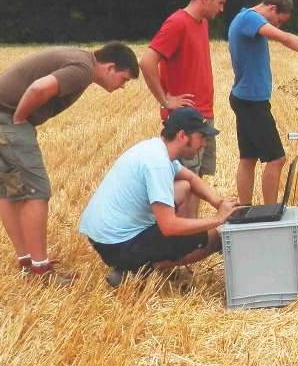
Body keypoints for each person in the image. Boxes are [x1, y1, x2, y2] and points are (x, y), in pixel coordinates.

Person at [0, 42, 139, 282]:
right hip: (4, 116)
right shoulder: (82, 69)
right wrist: (19, 118)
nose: (122, 86)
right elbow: (39, 88)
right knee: (36, 192)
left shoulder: (81, 61)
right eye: (124, 79)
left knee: (10, 189)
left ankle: (27, 261)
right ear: (110, 67)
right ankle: (41, 270)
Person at [79, 107, 240, 288]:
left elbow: (191, 178)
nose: (204, 144)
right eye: (201, 137)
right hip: (117, 244)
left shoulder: (155, 148)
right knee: (213, 239)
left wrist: (218, 202)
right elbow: (169, 227)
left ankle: (136, 264)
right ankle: (137, 270)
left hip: (104, 236)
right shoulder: (158, 164)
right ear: (182, 136)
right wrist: (218, 219)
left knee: (184, 186)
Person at [139, 0, 237, 218]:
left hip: (204, 115)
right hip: (186, 120)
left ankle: (191, 236)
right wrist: (165, 100)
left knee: (197, 179)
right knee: (185, 181)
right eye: (220, 3)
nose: (222, 9)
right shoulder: (177, 23)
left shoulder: (202, 23)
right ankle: (180, 237)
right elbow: (147, 61)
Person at [227, 0, 298, 205]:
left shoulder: (243, 18)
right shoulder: (250, 18)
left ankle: (245, 208)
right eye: (279, 20)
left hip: (245, 97)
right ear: (272, 8)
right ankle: (271, 212)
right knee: (277, 159)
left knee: (248, 158)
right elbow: (285, 39)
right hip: (252, 101)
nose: (278, 26)